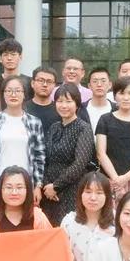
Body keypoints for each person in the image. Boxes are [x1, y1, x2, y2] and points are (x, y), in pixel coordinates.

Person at [0, 76, 46, 204]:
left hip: (25, 180)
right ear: (3, 94)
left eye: (17, 91)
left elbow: (39, 157)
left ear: (24, 94)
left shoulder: (34, 122)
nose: (13, 94)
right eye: (9, 91)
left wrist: (38, 185)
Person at [61, 172, 115, 261]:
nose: (93, 197)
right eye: (88, 192)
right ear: (80, 194)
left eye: (99, 193)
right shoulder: (69, 222)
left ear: (107, 196)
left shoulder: (117, 222)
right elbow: (65, 257)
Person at [40, 85, 95, 226]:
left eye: (68, 101)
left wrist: (56, 186)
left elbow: (80, 163)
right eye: (60, 101)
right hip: (48, 192)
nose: (64, 106)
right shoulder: (54, 127)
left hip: (71, 189)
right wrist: (47, 186)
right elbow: (44, 159)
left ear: (77, 104)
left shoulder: (84, 128)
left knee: (68, 228)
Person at [0, 167, 53, 234]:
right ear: (1, 190)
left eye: (19, 187)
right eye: (9, 187)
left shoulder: (38, 217)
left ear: (28, 190)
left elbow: (50, 243)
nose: (14, 192)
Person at [0, 38, 32, 103]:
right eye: (5, 55)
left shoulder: (30, 83)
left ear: (20, 57)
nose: (9, 58)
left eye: (13, 54)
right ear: (0, 58)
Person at [25, 67, 60, 133]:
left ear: (54, 85)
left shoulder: (60, 109)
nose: (45, 85)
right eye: (41, 80)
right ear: (32, 83)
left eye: (49, 82)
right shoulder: (23, 109)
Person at [83, 67, 114, 134]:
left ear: (110, 85)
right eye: (95, 81)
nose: (99, 85)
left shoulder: (117, 109)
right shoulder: (80, 109)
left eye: (103, 81)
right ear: (89, 86)